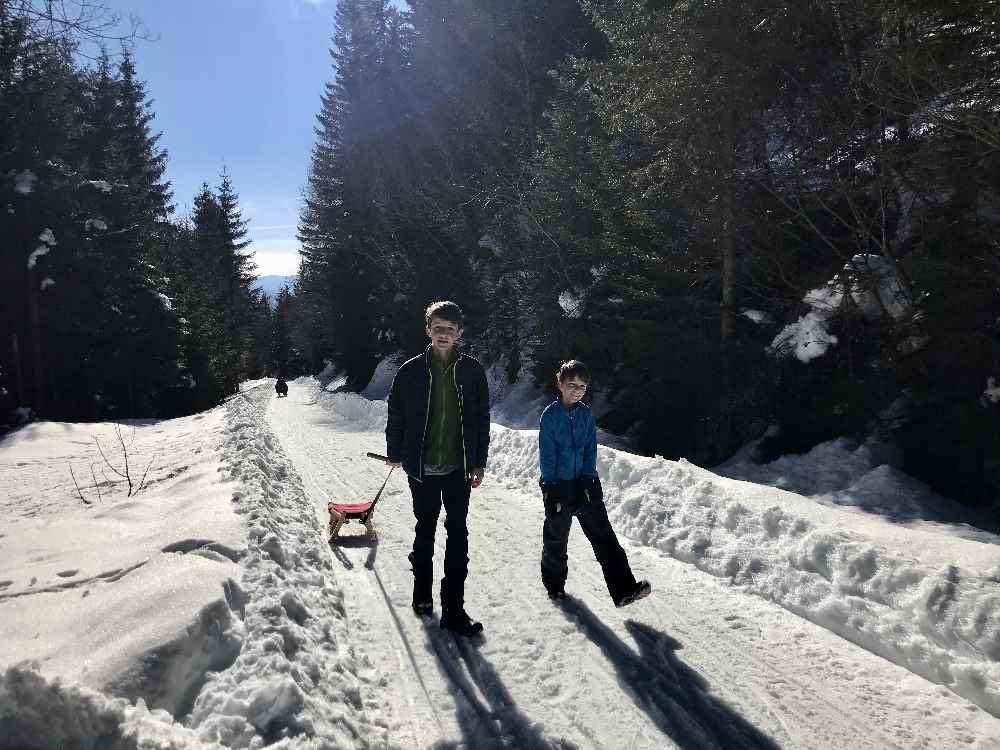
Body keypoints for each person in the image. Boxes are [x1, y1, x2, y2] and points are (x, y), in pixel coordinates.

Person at [386, 301, 490, 637]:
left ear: (460, 333)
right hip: (424, 468)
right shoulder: (410, 371)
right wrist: (395, 449)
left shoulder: (472, 372)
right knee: (426, 527)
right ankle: (422, 593)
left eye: (450, 328)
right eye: (437, 328)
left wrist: (479, 461)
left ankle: (454, 608)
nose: (443, 334)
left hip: (459, 467)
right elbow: (397, 412)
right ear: (427, 330)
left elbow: (481, 419)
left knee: (458, 534)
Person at [539, 360, 650, 607]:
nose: (577, 390)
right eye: (572, 385)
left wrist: (589, 479)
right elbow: (547, 455)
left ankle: (623, 589)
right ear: (560, 384)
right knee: (556, 539)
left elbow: (590, 449)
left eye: (582, 386)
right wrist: (551, 486)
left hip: (584, 483)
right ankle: (554, 587)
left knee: (605, 537)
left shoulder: (586, 415)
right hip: (558, 486)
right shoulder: (550, 416)